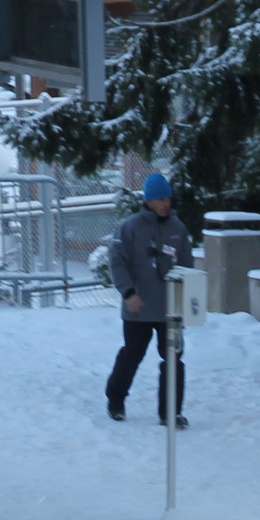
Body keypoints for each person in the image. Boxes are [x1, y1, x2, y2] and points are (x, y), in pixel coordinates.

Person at [103, 172, 192, 426]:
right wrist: (129, 293)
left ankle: (171, 412)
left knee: (173, 358)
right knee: (132, 354)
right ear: (149, 201)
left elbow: (187, 268)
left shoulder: (178, 229)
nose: (166, 203)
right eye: (161, 199)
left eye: (169, 199)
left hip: (169, 309)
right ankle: (115, 400)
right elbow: (117, 263)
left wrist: (186, 302)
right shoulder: (130, 228)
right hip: (138, 307)